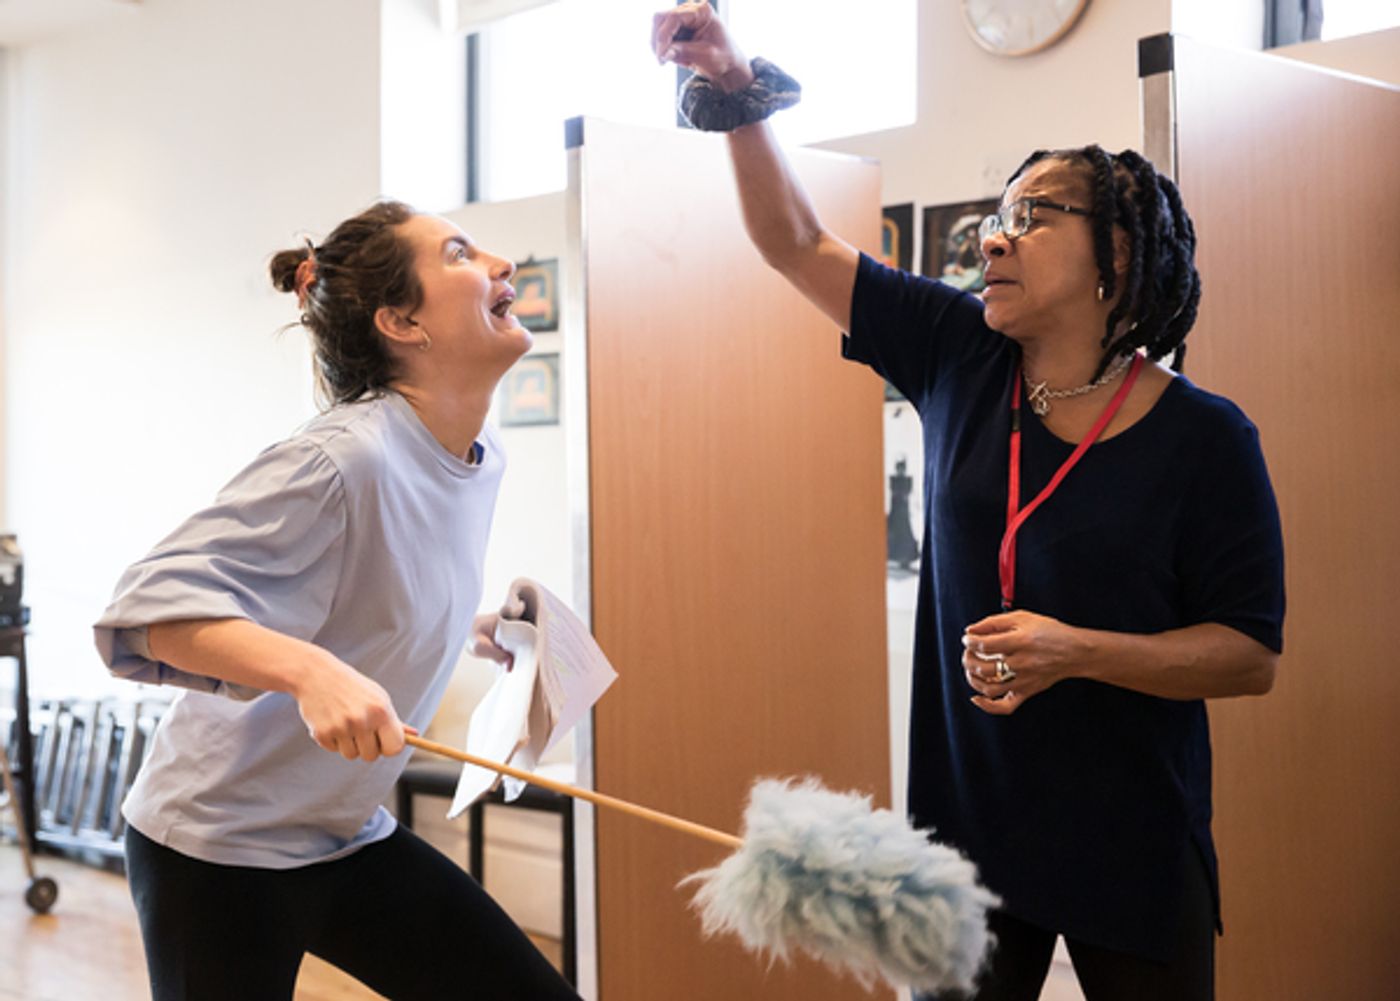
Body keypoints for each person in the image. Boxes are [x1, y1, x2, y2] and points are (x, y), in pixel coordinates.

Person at [650, 5, 1285, 1000]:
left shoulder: (1206, 438)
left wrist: (1075, 649)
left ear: (1117, 250)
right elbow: (791, 240)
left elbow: (1247, 655)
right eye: (996, 215)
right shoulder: (956, 351)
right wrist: (731, 90)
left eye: (1032, 215)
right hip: (966, 833)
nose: (996, 236)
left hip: (1134, 835)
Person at [94, 200, 580, 1001]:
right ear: (402, 321)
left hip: (342, 832)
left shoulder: (479, 454)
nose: (501, 263)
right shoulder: (340, 459)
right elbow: (151, 607)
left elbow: (366, 584)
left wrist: (479, 627)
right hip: (216, 845)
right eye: (460, 254)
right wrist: (313, 675)